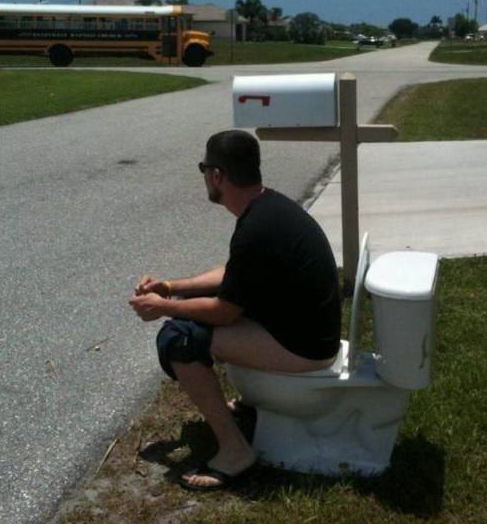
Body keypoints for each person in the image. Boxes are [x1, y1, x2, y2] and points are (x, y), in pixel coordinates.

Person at [129, 129, 341, 491]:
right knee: (186, 315)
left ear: (217, 175)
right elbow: (233, 273)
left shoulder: (256, 227)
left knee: (179, 337)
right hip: (306, 331)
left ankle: (235, 452)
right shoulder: (267, 206)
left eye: (204, 169)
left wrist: (164, 308)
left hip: (305, 348)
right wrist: (170, 287)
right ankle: (252, 407)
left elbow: (224, 312)